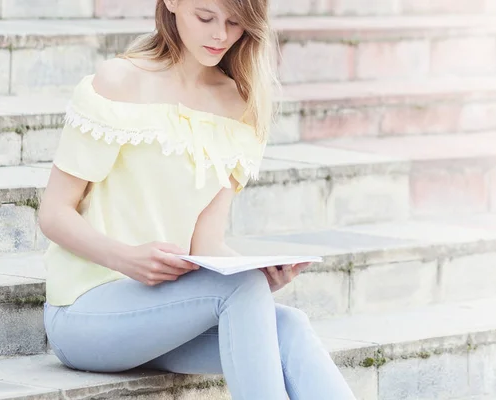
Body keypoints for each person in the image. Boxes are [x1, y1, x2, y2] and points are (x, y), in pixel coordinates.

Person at [39, 0, 356, 398]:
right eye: (205, 17)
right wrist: (128, 258)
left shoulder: (238, 107)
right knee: (241, 289)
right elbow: (53, 213)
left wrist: (262, 275)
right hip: (84, 314)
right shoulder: (119, 82)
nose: (220, 35)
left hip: (166, 317)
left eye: (235, 22)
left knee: (288, 326)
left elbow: (205, 243)